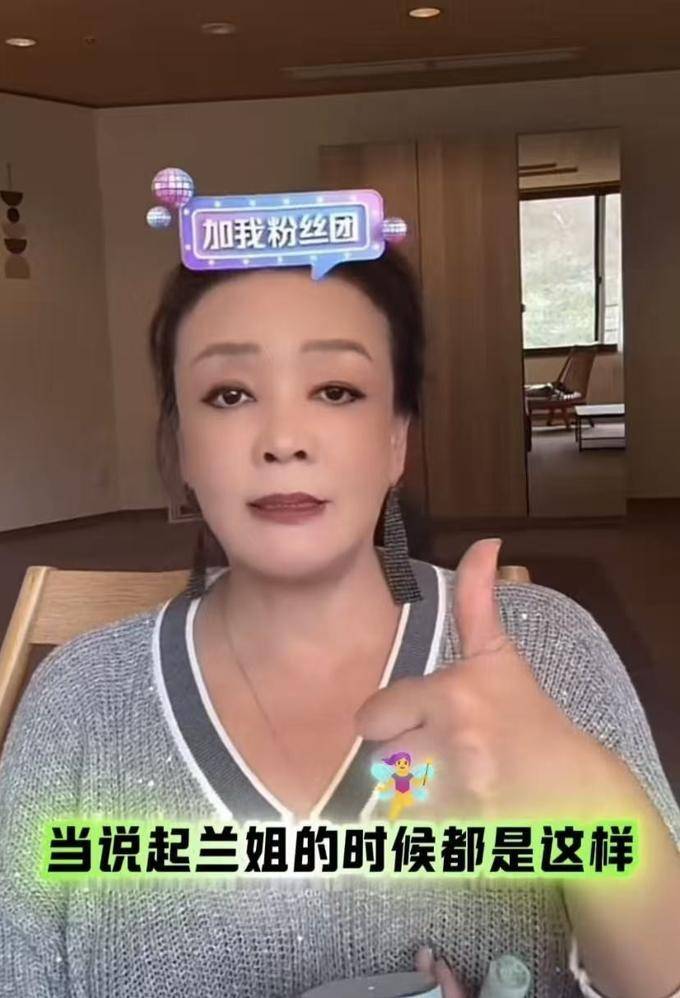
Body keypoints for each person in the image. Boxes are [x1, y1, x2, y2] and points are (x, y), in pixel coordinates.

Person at [0, 238, 678, 998]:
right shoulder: (77, 701)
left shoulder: (547, 650)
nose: (284, 441)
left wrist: (582, 792)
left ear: (396, 438)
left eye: (335, 390)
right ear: (182, 445)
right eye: (230, 395)